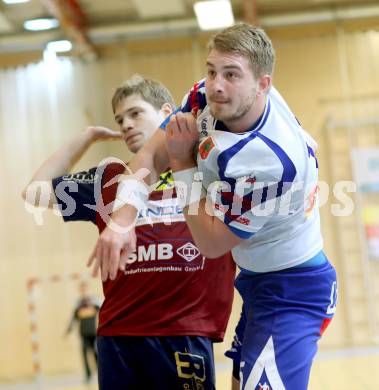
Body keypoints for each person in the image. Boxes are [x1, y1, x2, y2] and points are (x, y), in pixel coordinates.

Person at [88, 25, 338, 390]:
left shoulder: (271, 163)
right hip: (256, 281)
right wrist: (123, 220)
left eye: (231, 75)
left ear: (263, 84)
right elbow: (149, 156)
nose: (215, 84)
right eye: (211, 71)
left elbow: (211, 243)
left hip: (292, 292)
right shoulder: (213, 94)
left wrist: (183, 164)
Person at [22, 75, 236, 390]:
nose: (125, 124)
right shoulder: (109, 178)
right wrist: (86, 137)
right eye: (120, 119)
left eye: (136, 113)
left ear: (167, 113)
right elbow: (35, 193)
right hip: (118, 337)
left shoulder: (206, 169)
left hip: (184, 333)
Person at [65, 282, 100, 383]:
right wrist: (68, 329)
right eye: (82, 289)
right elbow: (74, 318)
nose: (83, 291)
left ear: (88, 289)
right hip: (83, 333)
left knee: (96, 354)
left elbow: (103, 312)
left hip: (94, 333)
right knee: (84, 354)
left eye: (85, 288)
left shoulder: (94, 302)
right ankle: (88, 376)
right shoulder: (78, 304)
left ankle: (100, 373)